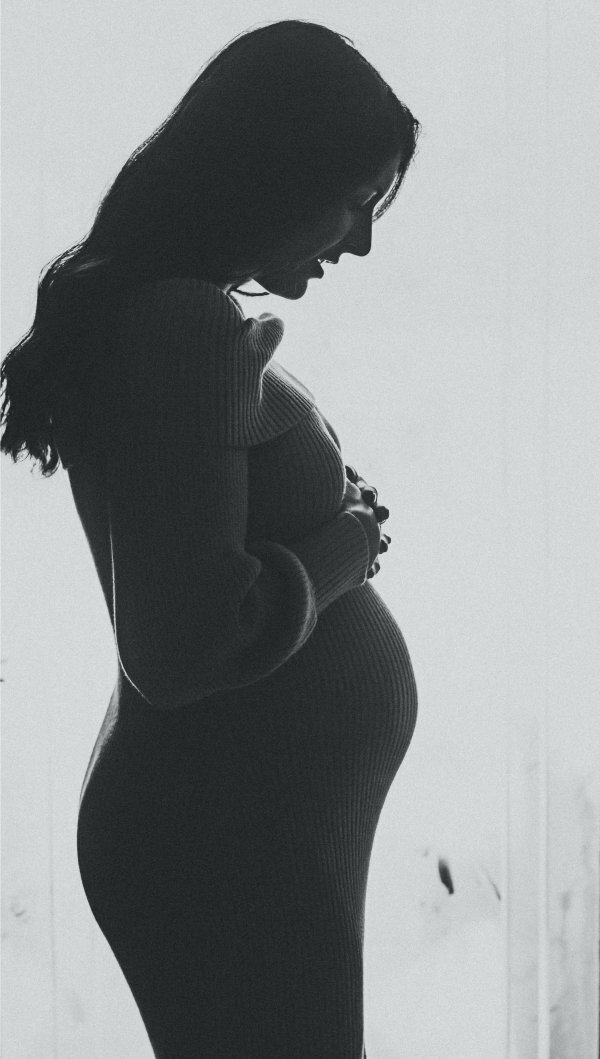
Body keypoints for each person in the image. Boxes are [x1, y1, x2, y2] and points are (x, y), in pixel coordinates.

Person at [1, 19, 421, 1058]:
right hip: (225, 839)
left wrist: (325, 517)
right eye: (354, 199)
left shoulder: (172, 319)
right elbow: (179, 650)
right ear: (276, 170)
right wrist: (336, 557)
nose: (361, 239)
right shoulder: (183, 326)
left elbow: (195, 532)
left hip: (236, 828)